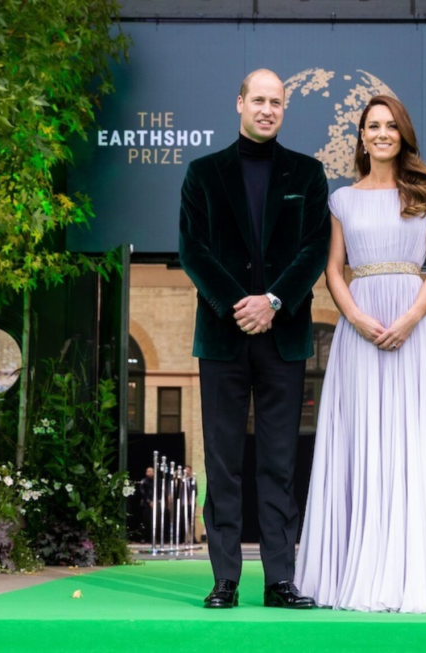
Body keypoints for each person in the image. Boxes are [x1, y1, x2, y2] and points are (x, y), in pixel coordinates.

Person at [294, 95, 426, 613]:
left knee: (414, 442)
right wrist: (354, 317)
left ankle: (420, 575)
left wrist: (407, 321)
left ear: (403, 134)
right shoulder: (341, 201)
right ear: (361, 136)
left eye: (390, 126)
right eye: (372, 126)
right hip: (358, 334)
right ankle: (352, 572)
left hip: (413, 330)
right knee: (360, 442)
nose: (381, 134)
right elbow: (334, 269)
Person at [178, 69, 330, 610]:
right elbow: (193, 251)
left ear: (284, 109)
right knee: (221, 461)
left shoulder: (309, 175)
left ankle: (279, 580)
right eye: (258, 99)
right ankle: (224, 580)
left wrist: (274, 302)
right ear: (239, 102)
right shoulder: (202, 173)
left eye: (277, 102)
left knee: (278, 462)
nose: (267, 109)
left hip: (283, 336)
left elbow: (314, 249)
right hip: (222, 337)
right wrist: (239, 303)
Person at [138, 466, 156, 544]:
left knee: (153, 522)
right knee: (145, 521)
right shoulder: (143, 481)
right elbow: (143, 493)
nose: (149, 473)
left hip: (155, 504)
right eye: (148, 471)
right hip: (145, 504)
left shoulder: (156, 482)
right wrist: (149, 501)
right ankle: (143, 538)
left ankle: (152, 538)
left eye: (151, 471)